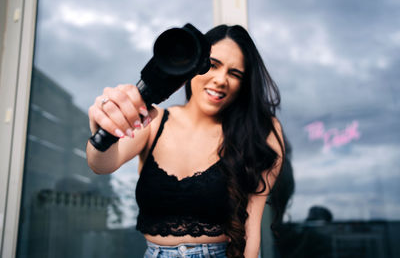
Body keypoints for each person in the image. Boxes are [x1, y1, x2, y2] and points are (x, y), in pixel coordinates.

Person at [86, 24, 284, 258]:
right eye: (213, 65)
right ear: (192, 64)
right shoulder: (154, 121)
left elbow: (251, 235)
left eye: (235, 73)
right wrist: (104, 131)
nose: (221, 80)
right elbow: (100, 164)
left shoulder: (257, 132)